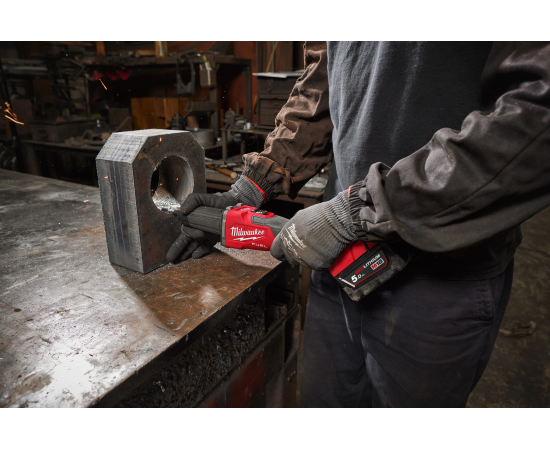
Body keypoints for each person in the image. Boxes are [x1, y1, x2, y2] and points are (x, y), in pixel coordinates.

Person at [170, 42, 550, 407]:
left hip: (436, 274)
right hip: (336, 259)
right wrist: (254, 187)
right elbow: (326, 75)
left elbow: (537, 115)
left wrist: (359, 211)